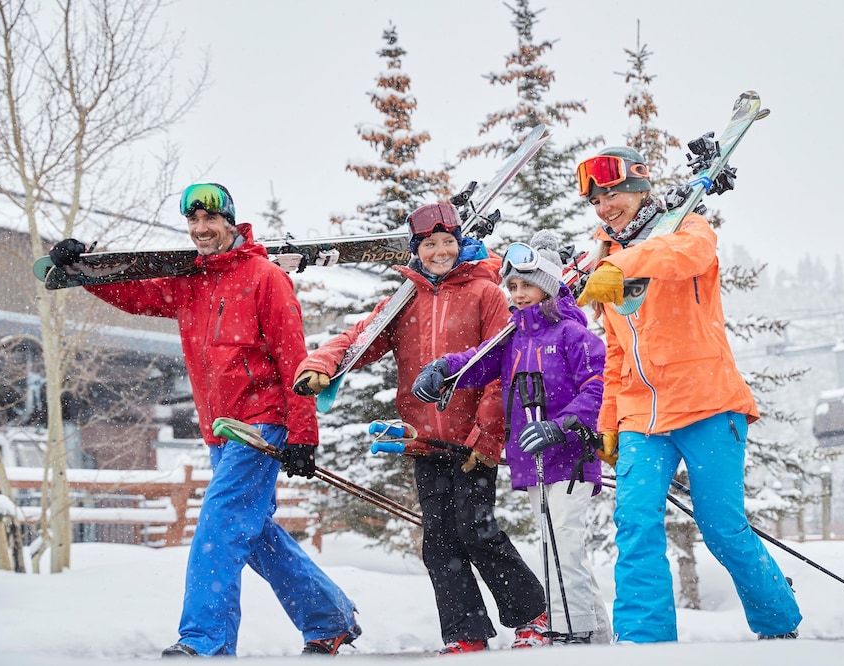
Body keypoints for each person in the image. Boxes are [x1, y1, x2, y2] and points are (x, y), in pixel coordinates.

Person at [48, 183, 360, 657]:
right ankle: (328, 618)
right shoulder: (190, 279)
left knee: (219, 527)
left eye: (210, 219)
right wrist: (85, 271)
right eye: (193, 221)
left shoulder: (266, 278)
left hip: (261, 424)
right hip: (221, 430)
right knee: (252, 533)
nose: (201, 229)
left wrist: (303, 434)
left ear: (230, 222)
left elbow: (293, 360)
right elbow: (135, 296)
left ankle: (205, 641)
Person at [294, 202, 549, 654]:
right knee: (439, 542)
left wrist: (487, 437)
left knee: (476, 530)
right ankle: (466, 633)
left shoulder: (486, 293)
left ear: (460, 243)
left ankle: (532, 616)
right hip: (424, 441)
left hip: (472, 441)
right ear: (416, 249)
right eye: (429, 244)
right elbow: (360, 337)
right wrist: (321, 363)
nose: (440, 251)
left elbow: (500, 367)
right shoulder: (405, 299)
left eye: (448, 242)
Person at [573, 147, 803, 643]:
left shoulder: (686, 229)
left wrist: (623, 264)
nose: (605, 207)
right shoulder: (602, 260)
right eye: (596, 201)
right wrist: (608, 421)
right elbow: (616, 353)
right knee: (635, 524)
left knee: (721, 526)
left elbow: (690, 255)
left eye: (613, 194)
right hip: (641, 419)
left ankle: (778, 625)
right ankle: (644, 639)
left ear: (639, 190)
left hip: (708, 406)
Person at [414, 230, 611, 645]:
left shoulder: (572, 335)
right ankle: (594, 633)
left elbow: (599, 386)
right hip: (533, 461)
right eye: (514, 286)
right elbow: (477, 360)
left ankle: (572, 632)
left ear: (549, 286)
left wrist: (562, 426)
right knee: (555, 546)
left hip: (571, 456)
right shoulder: (513, 338)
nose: (518, 294)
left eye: (528, 285)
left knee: (563, 543)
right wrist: (444, 369)